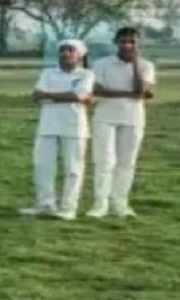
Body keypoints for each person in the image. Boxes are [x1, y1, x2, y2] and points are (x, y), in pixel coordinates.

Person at [20, 38, 95, 220]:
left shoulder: (86, 74)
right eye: (62, 50)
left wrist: (51, 95)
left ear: (79, 55)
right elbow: (37, 95)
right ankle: (46, 204)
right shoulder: (48, 73)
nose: (65, 54)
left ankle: (68, 207)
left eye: (70, 50)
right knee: (43, 166)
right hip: (48, 125)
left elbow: (79, 96)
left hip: (74, 126)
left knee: (73, 168)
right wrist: (66, 96)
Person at [87, 26, 156, 218]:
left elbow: (141, 90)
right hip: (105, 117)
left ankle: (120, 204)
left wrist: (134, 64)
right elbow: (98, 90)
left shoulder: (146, 66)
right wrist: (129, 94)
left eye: (132, 42)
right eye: (124, 41)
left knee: (127, 162)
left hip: (133, 118)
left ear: (138, 44)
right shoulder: (102, 64)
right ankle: (100, 204)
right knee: (104, 161)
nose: (127, 45)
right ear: (116, 42)